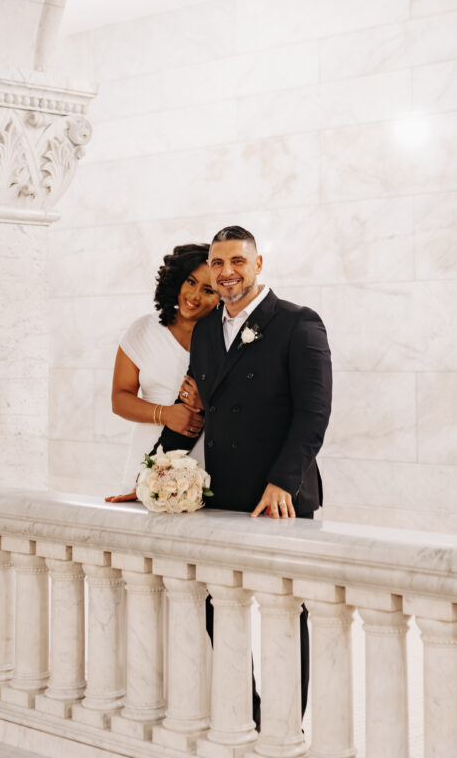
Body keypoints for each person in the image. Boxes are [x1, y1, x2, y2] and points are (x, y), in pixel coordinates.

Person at [148, 225, 332, 728]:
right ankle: (246, 710)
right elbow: (198, 411)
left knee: (285, 613)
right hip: (222, 493)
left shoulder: (298, 323)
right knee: (217, 604)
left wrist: (283, 481)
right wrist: (153, 474)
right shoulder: (208, 329)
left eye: (237, 262)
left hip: (282, 498)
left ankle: (286, 721)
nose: (226, 272)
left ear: (258, 264)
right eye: (218, 262)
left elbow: (314, 413)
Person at [106, 243, 219, 500]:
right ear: (177, 280)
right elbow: (119, 399)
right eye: (190, 281)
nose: (194, 295)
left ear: (220, 297)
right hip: (147, 452)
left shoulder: (223, 340)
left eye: (208, 290)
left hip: (206, 457)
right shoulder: (143, 330)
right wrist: (166, 414)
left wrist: (207, 403)